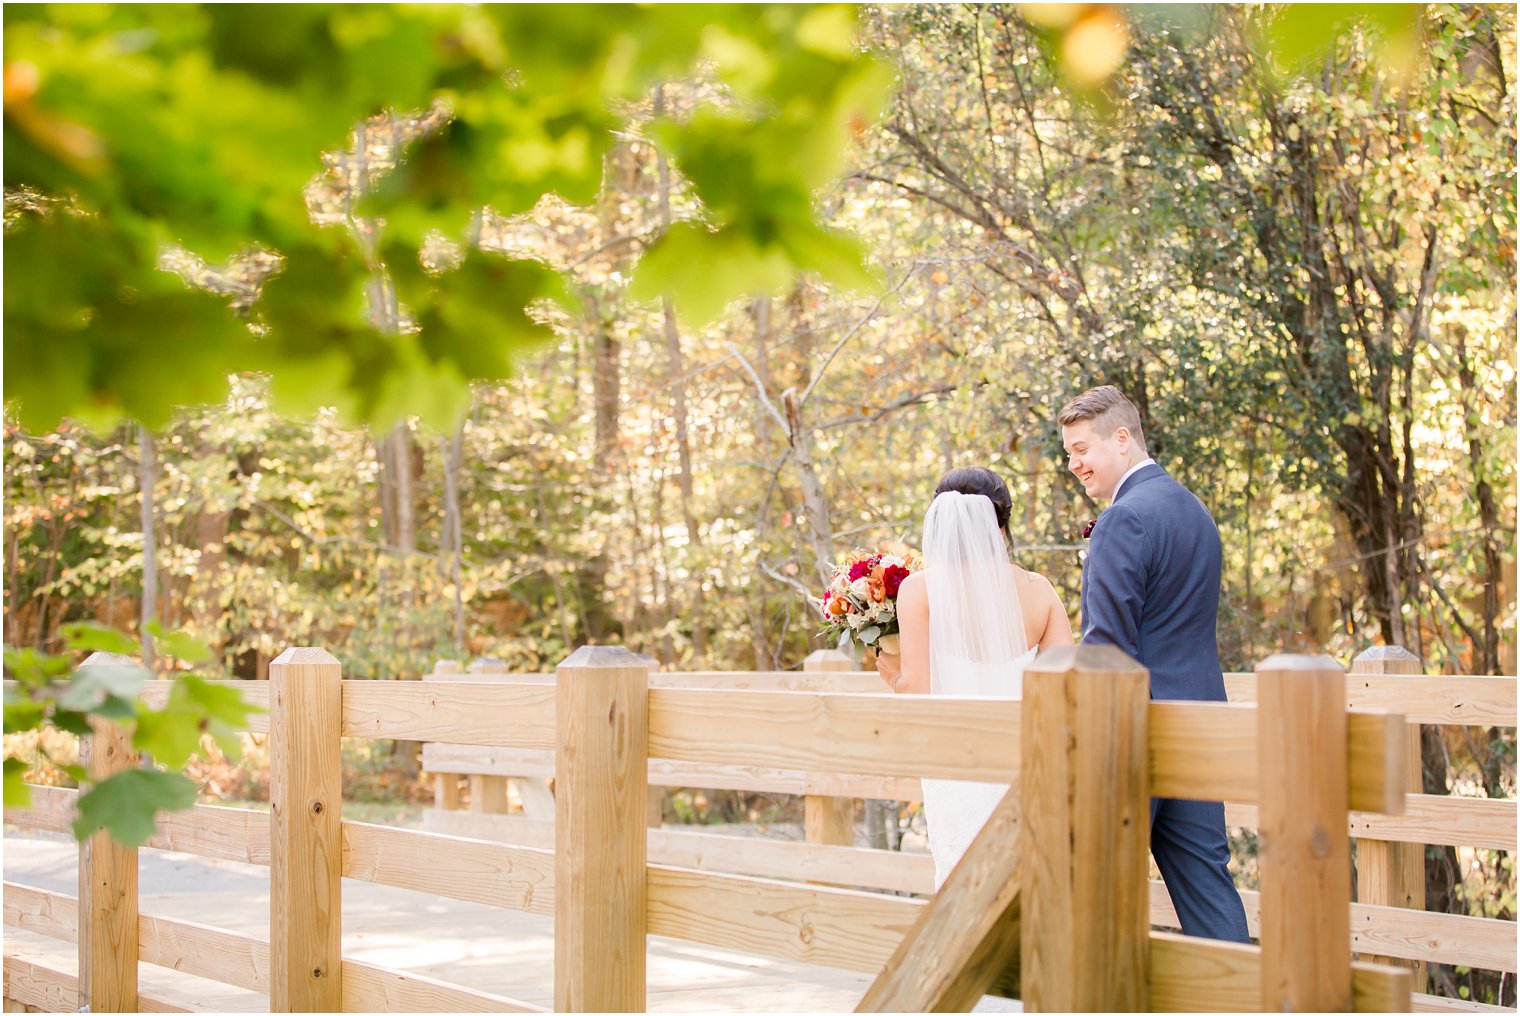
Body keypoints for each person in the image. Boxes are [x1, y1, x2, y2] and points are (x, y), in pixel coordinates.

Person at [1058, 384, 1250, 943]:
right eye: (1069, 454)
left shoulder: (1125, 519)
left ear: (1122, 439)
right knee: (1207, 885)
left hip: (1136, 737)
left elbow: (1107, 652)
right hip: (1198, 728)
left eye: (1081, 450)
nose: (1074, 465)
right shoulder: (1195, 511)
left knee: (1098, 887)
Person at [875, 466, 1072, 890]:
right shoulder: (1040, 590)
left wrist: (892, 677)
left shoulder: (919, 589)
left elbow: (917, 691)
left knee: (963, 885)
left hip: (955, 763)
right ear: (1001, 529)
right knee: (1030, 880)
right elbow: (1066, 686)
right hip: (1028, 761)